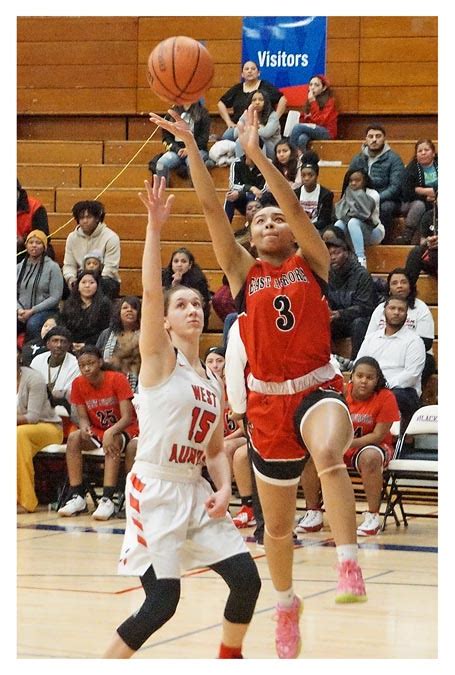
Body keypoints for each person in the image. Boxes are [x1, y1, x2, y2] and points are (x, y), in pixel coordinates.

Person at [149, 105, 367, 660]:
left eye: (277, 221)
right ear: (249, 235)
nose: (271, 223)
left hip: (317, 386)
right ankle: (287, 603)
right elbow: (207, 210)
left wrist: (254, 154)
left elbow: (292, 205)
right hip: (268, 405)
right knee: (276, 528)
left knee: (328, 451)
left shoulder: (311, 259)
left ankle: (348, 563)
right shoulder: (245, 274)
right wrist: (193, 148)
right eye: (260, 221)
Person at [103, 176, 261, 659]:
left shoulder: (209, 381)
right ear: (167, 321)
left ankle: (228, 660)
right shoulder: (160, 360)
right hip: (154, 491)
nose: (192, 308)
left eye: (197, 302)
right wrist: (153, 228)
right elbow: (150, 293)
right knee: (163, 601)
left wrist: (224, 487)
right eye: (182, 305)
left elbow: (214, 450)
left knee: (247, 580)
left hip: (193, 489)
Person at [296, 357, 400, 537]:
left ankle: (373, 515)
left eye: (369, 377)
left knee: (370, 458)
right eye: (360, 376)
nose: (364, 381)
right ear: (352, 377)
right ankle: (313, 512)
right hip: (342, 445)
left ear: (377, 380)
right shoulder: (341, 392)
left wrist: (346, 443)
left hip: (374, 446)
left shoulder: (386, 397)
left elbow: (378, 435)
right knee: (310, 455)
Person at [57, 345, 139, 521]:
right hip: (98, 430)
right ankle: (77, 495)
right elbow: (82, 417)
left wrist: (111, 431)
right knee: (73, 438)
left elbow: (127, 417)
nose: (86, 368)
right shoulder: (78, 383)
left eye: (91, 363)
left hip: (124, 429)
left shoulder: (117, 379)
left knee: (113, 440)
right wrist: (85, 428)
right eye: (82, 365)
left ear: (100, 362)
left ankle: (107, 498)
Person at [356, 296, 426, 433]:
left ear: (406, 315)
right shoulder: (371, 338)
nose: (396, 312)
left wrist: (383, 385)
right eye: (392, 308)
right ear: (384, 311)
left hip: (402, 391)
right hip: (373, 385)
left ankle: (395, 439)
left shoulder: (414, 341)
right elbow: (359, 363)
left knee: (393, 395)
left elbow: (411, 375)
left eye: (401, 310)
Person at [204, 347, 255, 530]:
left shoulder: (236, 388)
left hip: (245, 436)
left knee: (226, 448)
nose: (215, 366)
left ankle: (243, 505)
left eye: (219, 361)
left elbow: (243, 427)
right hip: (222, 439)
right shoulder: (209, 389)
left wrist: (221, 439)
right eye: (210, 361)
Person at [365, 268, 435, 389]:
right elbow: (369, 338)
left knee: (428, 361)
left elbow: (427, 343)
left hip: (413, 355)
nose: (399, 286)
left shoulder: (420, 308)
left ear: (410, 286)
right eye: (394, 283)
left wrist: (397, 346)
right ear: (389, 289)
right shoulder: (380, 308)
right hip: (383, 353)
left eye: (403, 282)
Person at [17, 348, 63, 513]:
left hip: (48, 427)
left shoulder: (33, 378)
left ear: (19, 357)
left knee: (17, 435)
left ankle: (26, 501)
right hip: (20, 429)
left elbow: (33, 417)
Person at [348, 124, 405, 241]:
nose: (374, 139)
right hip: (361, 197)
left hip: (385, 199)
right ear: (366, 139)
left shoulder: (394, 159)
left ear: (384, 138)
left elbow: (395, 187)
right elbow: (349, 182)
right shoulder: (358, 159)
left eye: (378, 136)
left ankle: (384, 242)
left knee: (386, 208)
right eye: (371, 136)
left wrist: (376, 198)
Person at [326, 237, 378, 361]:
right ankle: (328, 361)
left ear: (347, 253)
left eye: (336, 253)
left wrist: (340, 314)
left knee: (358, 324)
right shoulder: (326, 274)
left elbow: (365, 307)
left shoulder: (362, 275)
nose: (332, 257)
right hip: (337, 320)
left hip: (359, 320)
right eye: (329, 254)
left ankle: (356, 363)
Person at [62, 200, 121, 298]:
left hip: (104, 279)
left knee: (107, 285)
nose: (85, 221)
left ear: (97, 218)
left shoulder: (111, 237)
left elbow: (110, 268)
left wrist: (92, 283)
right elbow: (69, 265)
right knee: (61, 284)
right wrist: (71, 279)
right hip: (80, 278)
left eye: (88, 217)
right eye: (81, 218)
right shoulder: (72, 237)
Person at [218, 60, 287, 141]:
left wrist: (274, 120)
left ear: (258, 73)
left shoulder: (266, 86)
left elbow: (282, 100)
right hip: (241, 126)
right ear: (242, 74)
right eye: (246, 69)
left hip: (262, 127)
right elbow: (221, 103)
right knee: (226, 137)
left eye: (253, 69)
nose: (250, 71)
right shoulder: (237, 89)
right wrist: (228, 121)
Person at [17, 229, 64, 340]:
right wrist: (19, 310)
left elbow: (55, 297)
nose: (34, 245)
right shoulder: (18, 267)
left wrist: (33, 310)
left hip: (45, 311)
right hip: (21, 310)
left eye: (38, 243)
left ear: (44, 247)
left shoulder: (53, 267)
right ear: (26, 245)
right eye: (31, 242)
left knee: (33, 324)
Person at [333, 168, 385, 267]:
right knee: (338, 224)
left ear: (364, 181)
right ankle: (338, 256)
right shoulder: (347, 193)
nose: (353, 183)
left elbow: (363, 214)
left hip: (374, 231)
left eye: (357, 180)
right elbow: (341, 214)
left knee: (353, 222)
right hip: (353, 232)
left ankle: (361, 259)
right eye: (351, 180)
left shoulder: (373, 194)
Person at [152, 102, 211, 185]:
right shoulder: (172, 112)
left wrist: (190, 148)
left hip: (197, 150)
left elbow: (204, 138)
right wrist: (177, 149)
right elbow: (166, 138)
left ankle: (196, 192)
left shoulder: (203, 112)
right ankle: (161, 193)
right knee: (161, 164)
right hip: (177, 151)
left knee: (193, 165)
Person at [30, 326, 80, 416]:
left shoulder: (75, 364)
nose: (59, 345)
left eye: (63, 341)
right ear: (48, 344)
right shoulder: (37, 360)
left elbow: (68, 396)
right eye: (55, 341)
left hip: (64, 411)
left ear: (69, 345)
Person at [97, 296, 142, 393]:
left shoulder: (145, 336)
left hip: (137, 387)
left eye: (134, 308)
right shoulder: (107, 334)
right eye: (125, 307)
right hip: (107, 383)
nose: (129, 310)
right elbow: (97, 358)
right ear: (118, 312)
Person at [397, 139, 438, 244]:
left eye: (426, 150)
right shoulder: (411, 168)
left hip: (437, 199)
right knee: (419, 206)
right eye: (420, 151)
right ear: (416, 155)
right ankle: (407, 236)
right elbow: (407, 192)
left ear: (433, 153)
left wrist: (421, 190)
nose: (423, 153)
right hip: (412, 202)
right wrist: (427, 195)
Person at [60, 271, 112, 352]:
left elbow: (104, 330)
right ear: (78, 286)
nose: (87, 285)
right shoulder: (69, 303)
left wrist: (87, 344)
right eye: (83, 282)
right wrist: (70, 343)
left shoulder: (104, 304)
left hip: (95, 346)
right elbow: (63, 326)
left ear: (97, 285)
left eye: (91, 282)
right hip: (71, 345)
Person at [161, 247, 212, 330]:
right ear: (171, 264)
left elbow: (202, 305)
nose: (179, 264)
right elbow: (164, 303)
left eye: (183, 261)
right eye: (176, 261)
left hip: (194, 318)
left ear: (190, 265)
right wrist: (174, 286)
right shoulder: (165, 277)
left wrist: (178, 286)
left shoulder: (198, 280)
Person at [289, 75, 338, 153]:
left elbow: (321, 121)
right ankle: (302, 160)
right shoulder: (308, 101)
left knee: (297, 127)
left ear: (324, 88)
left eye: (316, 85)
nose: (312, 87)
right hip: (312, 130)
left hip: (327, 132)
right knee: (302, 138)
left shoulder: (329, 102)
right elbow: (302, 119)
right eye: (311, 84)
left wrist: (312, 102)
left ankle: (291, 156)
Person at [234, 91, 281, 159]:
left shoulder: (273, 115)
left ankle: (259, 167)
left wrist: (250, 129)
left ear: (266, 102)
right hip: (252, 145)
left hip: (272, 148)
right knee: (239, 140)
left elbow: (267, 133)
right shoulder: (246, 114)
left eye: (261, 100)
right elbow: (236, 132)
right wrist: (256, 128)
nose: (257, 102)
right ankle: (241, 164)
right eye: (254, 100)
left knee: (258, 139)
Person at [294, 157, 334, 233]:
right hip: (299, 229)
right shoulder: (295, 193)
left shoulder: (326, 194)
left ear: (316, 176)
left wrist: (308, 226)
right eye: (303, 175)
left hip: (318, 230)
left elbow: (325, 220)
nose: (306, 178)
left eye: (310, 175)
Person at [17, 179, 54, 262]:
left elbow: (44, 236)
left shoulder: (36, 208)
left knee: (45, 251)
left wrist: (24, 240)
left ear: (18, 191)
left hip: (26, 248)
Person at [224, 150, 265, 223]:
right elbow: (232, 185)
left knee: (255, 198)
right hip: (243, 197)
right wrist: (251, 188)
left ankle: (253, 227)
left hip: (260, 200)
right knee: (230, 197)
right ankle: (224, 229)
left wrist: (250, 192)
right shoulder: (237, 163)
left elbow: (264, 190)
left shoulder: (265, 163)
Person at [405, 201, 438, 284]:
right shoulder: (429, 215)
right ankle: (409, 290)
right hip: (434, 255)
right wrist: (428, 241)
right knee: (416, 251)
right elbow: (422, 241)